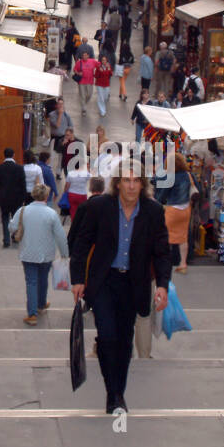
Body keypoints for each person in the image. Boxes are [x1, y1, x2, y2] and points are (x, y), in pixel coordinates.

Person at [70, 161, 173, 414]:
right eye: (126, 180)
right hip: (104, 280)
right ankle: (113, 392)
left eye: (135, 180)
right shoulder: (98, 207)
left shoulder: (153, 211)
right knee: (107, 336)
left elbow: (162, 252)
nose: (130, 186)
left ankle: (117, 393)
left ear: (142, 184)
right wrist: (77, 279)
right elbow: (81, 243)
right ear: (117, 183)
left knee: (125, 339)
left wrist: (162, 285)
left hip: (133, 282)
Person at [13, 183, 70, 326]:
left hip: (27, 252)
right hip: (46, 253)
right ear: (46, 196)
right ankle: (41, 303)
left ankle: (32, 314)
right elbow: (60, 236)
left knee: (31, 281)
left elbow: (12, 227)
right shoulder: (51, 213)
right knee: (43, 278)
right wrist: (64, 254)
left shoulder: (22, 211)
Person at [155, 152, 195, 273]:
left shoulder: (170, 177)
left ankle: (165, 263)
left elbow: (163, 195)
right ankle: (183, 264)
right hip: (186, 209)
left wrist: (157, 202)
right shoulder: (188, 175)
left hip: (173, 210)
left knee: (166, 237)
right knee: (183, 237)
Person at [0, 147, 26, 248]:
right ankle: (15, 236)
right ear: (13, 155)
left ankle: (6, 240)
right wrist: (23, 197)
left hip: (4, 197)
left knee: (5, 218)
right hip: (16, 197)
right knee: (15, 218)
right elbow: (23, 184)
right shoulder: (19, 168)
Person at [94, 55, 114, 119]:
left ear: (106, 61)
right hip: (99, 84)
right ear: (101, 61)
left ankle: (103, 108)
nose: (104, 61)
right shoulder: (98, 67)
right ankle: (102, 111)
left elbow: (111, 74)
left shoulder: (108, 66)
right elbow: (96, 76)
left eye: (105, 60)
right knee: (101, 97)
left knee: (105, 97)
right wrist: (99, 71)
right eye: (102, 60)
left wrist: (109, 69)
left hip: (106, 84)